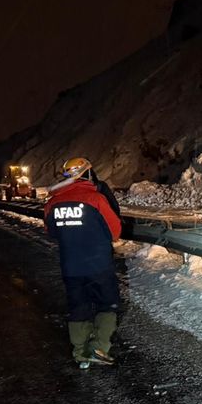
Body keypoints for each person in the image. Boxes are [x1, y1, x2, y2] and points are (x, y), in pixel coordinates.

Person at [44, 157, 122, 369]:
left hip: (71, 266)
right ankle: (98, 347)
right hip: (98, 265)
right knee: (108, 304)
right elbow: (115, 231)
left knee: (78, 307)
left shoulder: (52, 203)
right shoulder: (95, 199)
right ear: (86, 173)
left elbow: (51, 231)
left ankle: (80, 353)